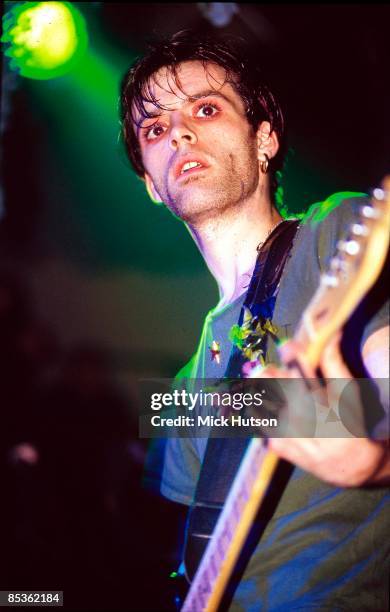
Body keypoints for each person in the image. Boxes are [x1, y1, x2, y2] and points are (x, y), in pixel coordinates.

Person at [120, 30, 389, 610]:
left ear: (264, 139)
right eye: (155, 128)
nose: (180, 132)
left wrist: (374, 460)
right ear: (150, 185)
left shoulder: (336, 235)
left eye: (207, 109)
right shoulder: (179, 386)